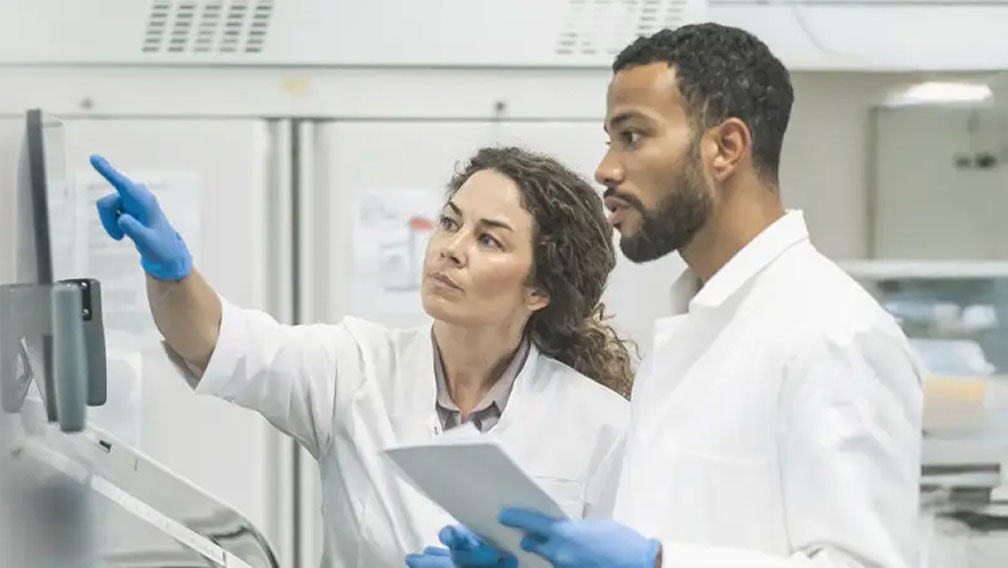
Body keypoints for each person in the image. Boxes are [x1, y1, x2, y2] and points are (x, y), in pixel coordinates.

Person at [411, 23, 923, 568]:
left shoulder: (833, 332)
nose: (606, 169)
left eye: (633, 137)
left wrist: (658, 562)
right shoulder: (690, 331)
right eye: (610, 140)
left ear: (725, 148)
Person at [88, 146, 633, 567]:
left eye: (489, 240)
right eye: (450, 221)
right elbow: (216, 340)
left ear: (540, 289)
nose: (451, 247)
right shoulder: (355, 368)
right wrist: (171, 274)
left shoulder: (601, 426)